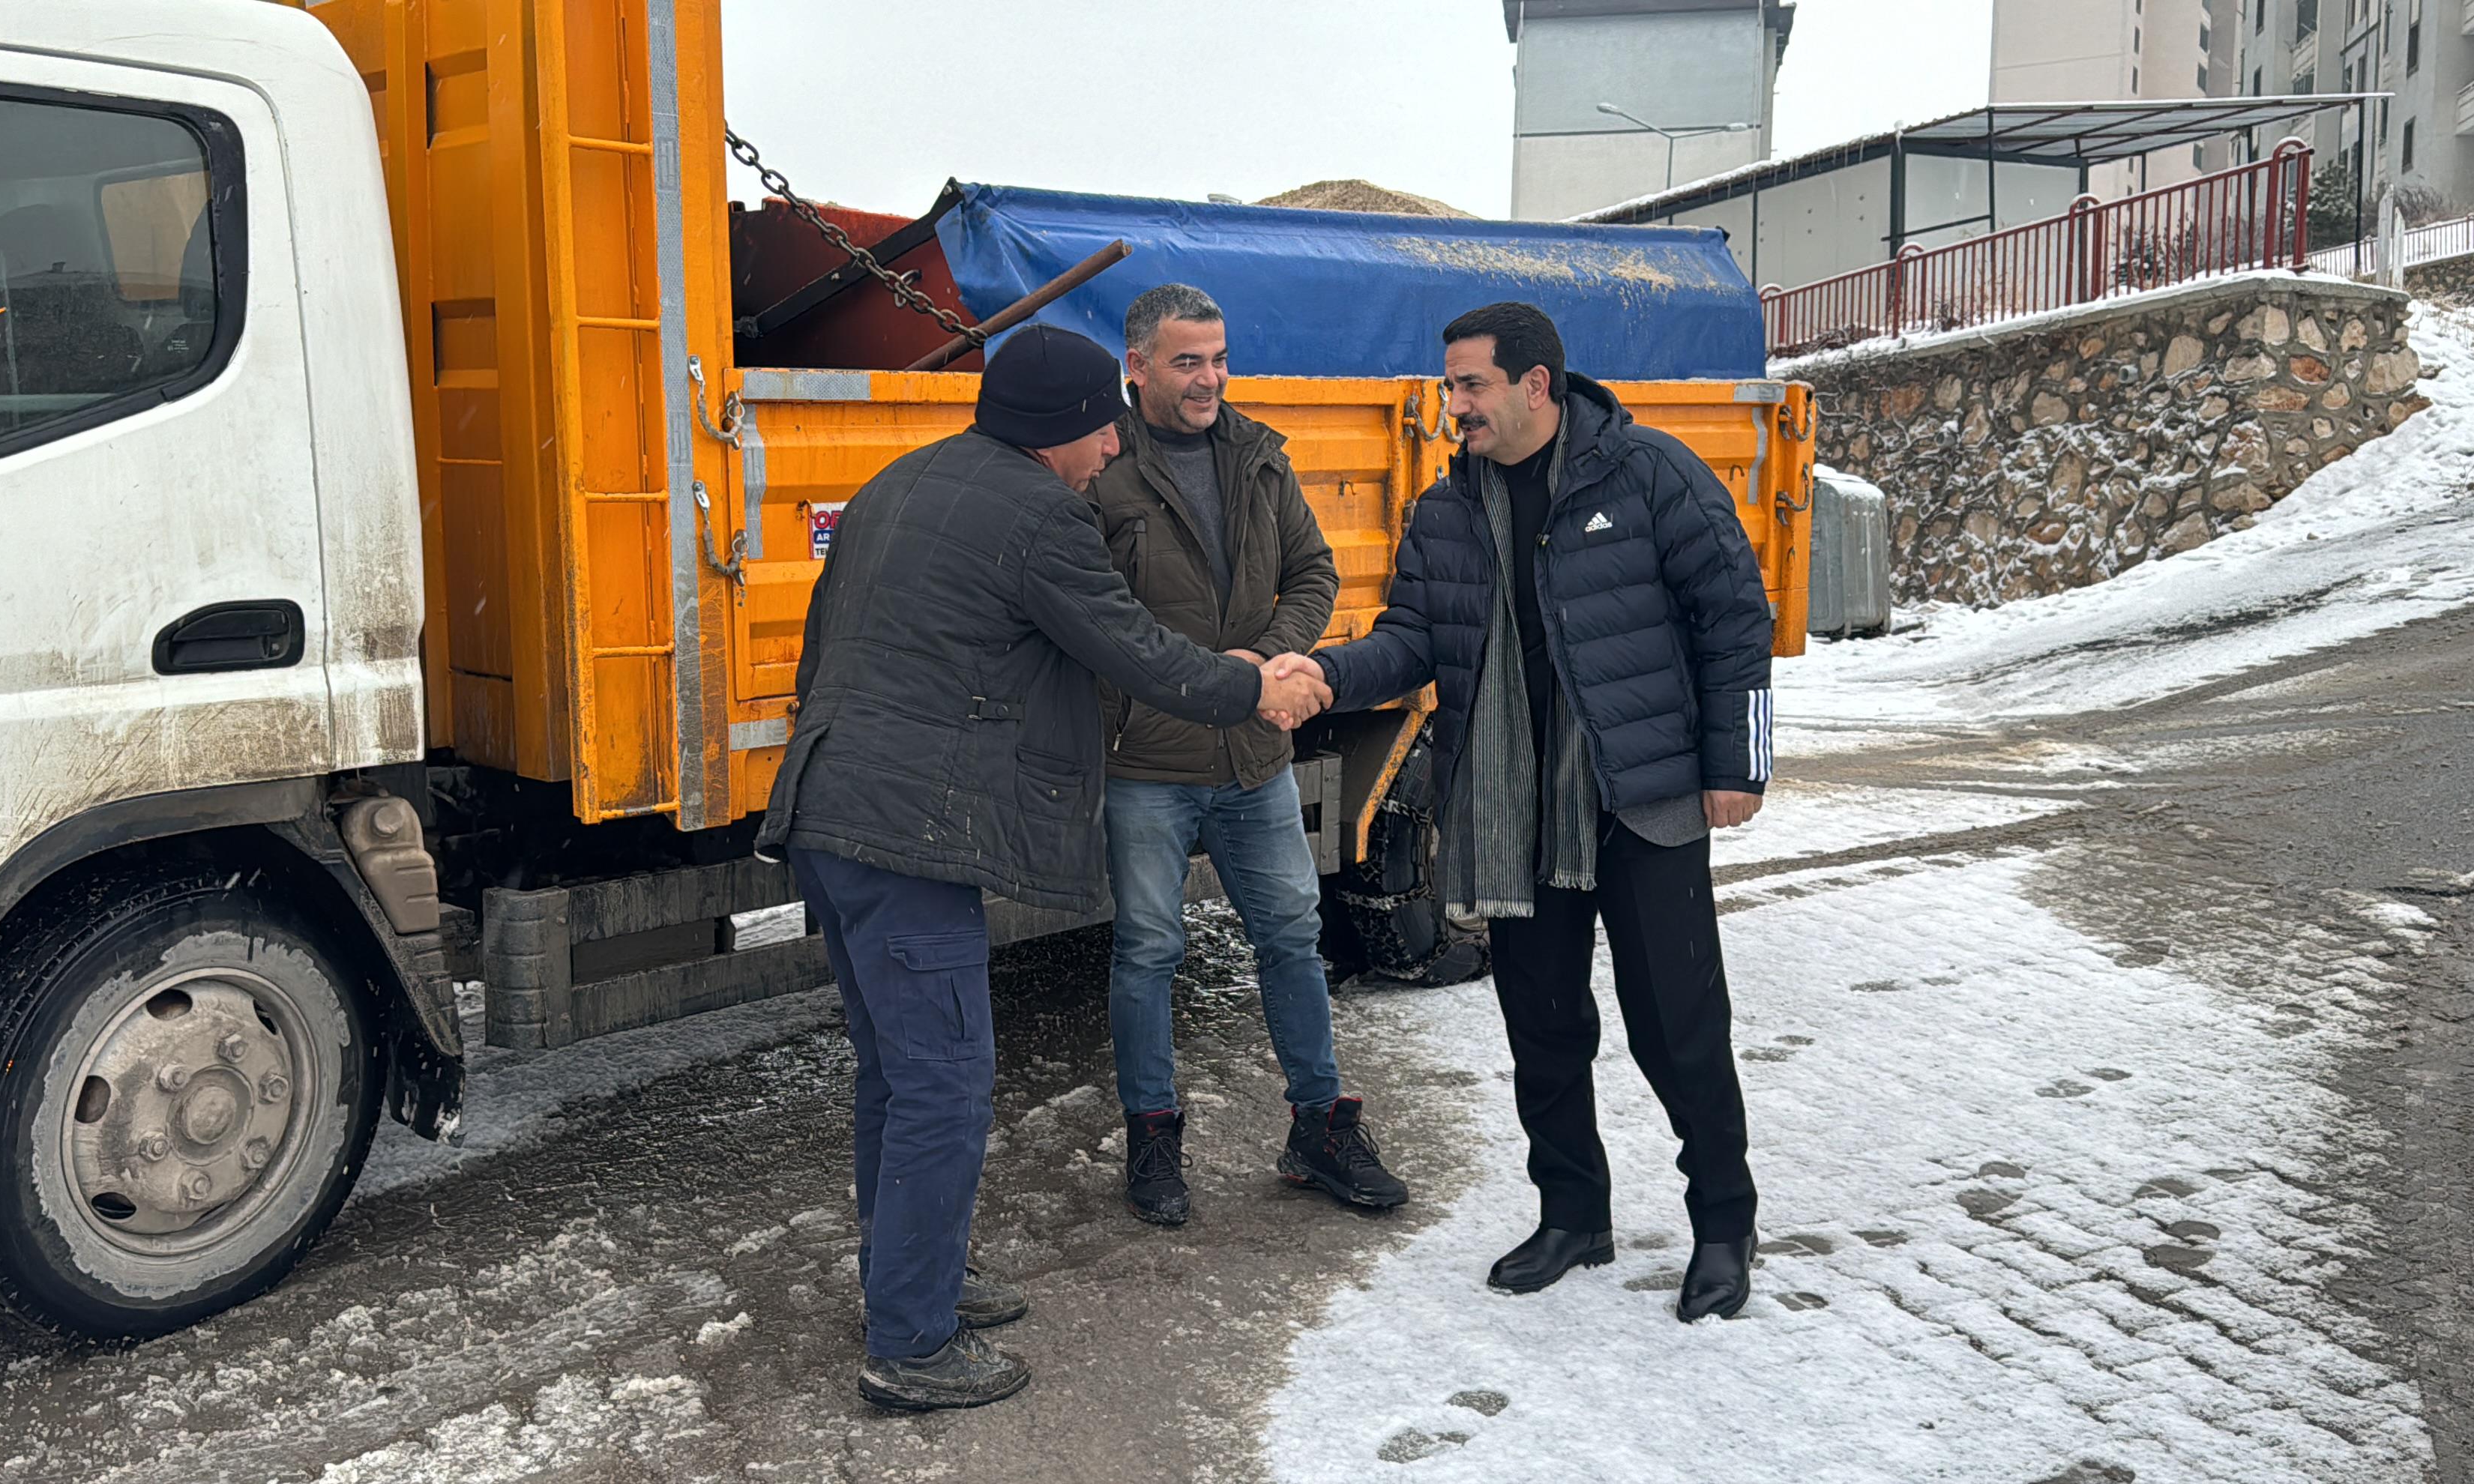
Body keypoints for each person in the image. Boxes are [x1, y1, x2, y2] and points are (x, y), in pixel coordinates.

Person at [756, 325, 1329, 1411]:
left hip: (835, 813)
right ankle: (911, 1346)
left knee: (897, 1074)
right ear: (1060, 427)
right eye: (1101, 424)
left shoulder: (901, 481)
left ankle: (909, 1282)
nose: (1114, 444)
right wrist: (1254, 689)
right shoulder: (1042, 519)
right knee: (944, 1084)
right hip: (908, 837)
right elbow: (1134, 652)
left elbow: (827, 640)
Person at [1286, 301, 1773, 1321]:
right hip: (1514, 812)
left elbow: (1736, 619)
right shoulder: (1447, 508)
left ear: (1535, 385)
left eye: (1469, 384)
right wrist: (1323, 676)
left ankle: (1724, 1225)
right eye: (1450, 384)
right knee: (1543, 1025)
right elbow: (1413, 639)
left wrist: (1742, 765)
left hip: (1642, 800)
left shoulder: (1649, 475)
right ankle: (1572, 1213)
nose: (1452, 403)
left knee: (1678, 1030)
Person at [1089, 284, 1407, 1227]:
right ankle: (1153, 1137)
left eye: (1219, 358)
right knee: (1149, 948)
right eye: (1188, 361)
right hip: (1145, 758)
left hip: (1254, 751)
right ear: (1137, 364)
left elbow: (1313, 574)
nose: (1210, 380)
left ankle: (1320, 1126)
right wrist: (1212, 675)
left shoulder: (1259, 456)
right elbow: (1098, 619)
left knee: (1291, 939)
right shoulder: (1102, 469)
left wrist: (1263, 664)